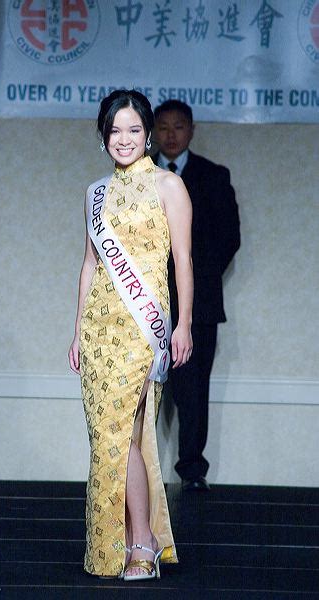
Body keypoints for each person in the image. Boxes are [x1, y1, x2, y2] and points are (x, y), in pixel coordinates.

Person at [68, 90, 193, 580]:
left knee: (129, 434)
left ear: (148, 136)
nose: (124, 139)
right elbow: (88, 266)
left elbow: (182, 259)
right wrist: (78, 331)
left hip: (144, 330)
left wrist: (182, 324)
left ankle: (141, 541)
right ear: (104, 136)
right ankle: (122, 542)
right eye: (115, 130)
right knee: (108, 438)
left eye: (134, 130)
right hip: (100, 330)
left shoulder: (167, 186)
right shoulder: (95, 193)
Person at [153, 100, 240, 491]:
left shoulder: (213, 176)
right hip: (146, 303)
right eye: (164, 127)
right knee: (142, 391)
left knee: (193, 391)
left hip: (200, 305)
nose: (171, 135)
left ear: (191, 130)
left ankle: (192, 472)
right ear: (153, 130)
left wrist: (191, 280)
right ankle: (137, 474)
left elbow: (228, 239)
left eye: (179, 127)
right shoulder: (140, 175)